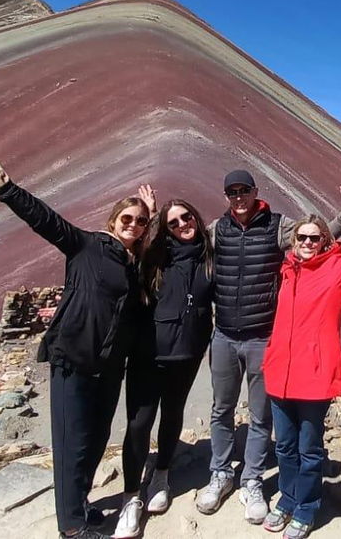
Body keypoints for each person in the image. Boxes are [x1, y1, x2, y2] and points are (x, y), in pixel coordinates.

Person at [0, 151, 154, 539]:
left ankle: (79, 505)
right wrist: (5, 187)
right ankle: (72, 526)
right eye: (126, 219)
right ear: (112, 221)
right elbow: (45, 221)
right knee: (71, 443)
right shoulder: (86, 245)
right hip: (74, 359)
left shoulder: (135, 264)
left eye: (140, 221)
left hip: (110, 367)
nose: (133, 224)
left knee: (96, 439)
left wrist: (151, 210)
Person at [196, 170, 341, 524]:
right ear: (226, 195)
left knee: (260, 416)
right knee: (221, 409)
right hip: (224, 334)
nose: (238, 197)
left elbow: (315, 238)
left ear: (256, 192)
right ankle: (220, 473)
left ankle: (252, 480)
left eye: (244, 190)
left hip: (261, 337)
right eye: (232, 192)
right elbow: (184, 247)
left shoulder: (277, 226)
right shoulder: (216, 229)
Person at [261, 182, 341, 538]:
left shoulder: (338, 270)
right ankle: (287, 499)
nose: (306, 243)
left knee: (309, 448)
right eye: (301, 237)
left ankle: (306, 508)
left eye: (314, 238)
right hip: (280, 374)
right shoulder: (288, 270)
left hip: (314, 378)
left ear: (325, 242)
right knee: (284, 446)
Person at [114, 199, 214, 539]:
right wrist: (154, 215)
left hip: (186, 355)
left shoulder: (209, 257)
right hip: (148, 354)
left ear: (197, 219)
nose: (182, 224)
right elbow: (135, 244)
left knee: (173, 414)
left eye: (187, 217)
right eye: (174, 222)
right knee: (139, 424)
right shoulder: (155, 255)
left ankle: (161, 473)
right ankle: (130, 498)